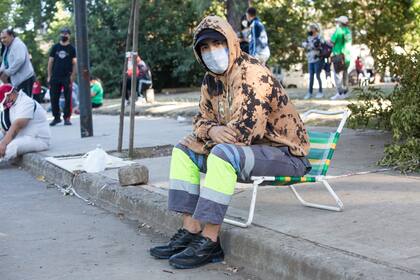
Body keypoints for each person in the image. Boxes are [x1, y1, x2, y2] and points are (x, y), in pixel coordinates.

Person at [149, 16, 311, 269]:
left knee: (223, 153)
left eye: (217, 43)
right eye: (205, 48)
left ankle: (210, 240)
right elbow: (199, 121)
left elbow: (244, 134)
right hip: (249, 154)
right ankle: (191, 230)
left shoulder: (252, 74)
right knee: (183, 150)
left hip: (284, 155)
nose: (212, 52)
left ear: (231, 42)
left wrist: (210, 134)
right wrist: (212, 131)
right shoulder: (210, 80)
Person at [0, 84, 50, 163]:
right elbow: (5, 128)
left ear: (11, 94)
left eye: (4, 100)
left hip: (37, 139)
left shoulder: (26, 102)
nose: (3, 104)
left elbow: (18, 125)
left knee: (11, 147)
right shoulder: (11, 105)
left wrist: (3, 143)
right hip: (22, 137)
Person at [48, 27, 76, 126]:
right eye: (62, 33)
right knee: (54, 98)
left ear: (69, 35)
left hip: (66, 76)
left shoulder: (72, 49)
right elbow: (50, 62)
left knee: (68, 98)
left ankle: (67, 118)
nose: (64, 35)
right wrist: (49, 75)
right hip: (55, 76)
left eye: (66, 33)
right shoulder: (55, 47)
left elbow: (74, 63)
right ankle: (56, 118)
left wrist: (73, 76)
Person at [0, 29, 36, 96]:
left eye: (4, 37)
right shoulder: (8, 47)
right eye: (1, 38)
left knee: (25, 102)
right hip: (18, 81)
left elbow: (20, 60)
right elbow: (5, 62)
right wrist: (1, 71)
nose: (2, 40)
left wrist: (8, 72)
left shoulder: (18, 45)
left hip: (25, 79)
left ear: (11, 36)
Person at [330, 16, 352, 100]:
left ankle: (340, 92)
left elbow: (332, 42)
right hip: (347, 56)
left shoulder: (339, 30)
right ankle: (345, 92)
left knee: (337, 75)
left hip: (339, 55)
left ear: (340, 23)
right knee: (345, 74)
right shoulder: (348, 32)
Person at [302, 23, 323, 99]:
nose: (310, 30)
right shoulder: (308, 37)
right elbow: (304, 44)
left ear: (315, 29)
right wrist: (307, 44)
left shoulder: (319, 37)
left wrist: (311, 45)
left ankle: (320, 92)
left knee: (317, 75)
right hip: (310, 59)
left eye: (312, 28)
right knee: (311, 77)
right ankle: (309, 93)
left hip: (317, 59)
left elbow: (318, 46)